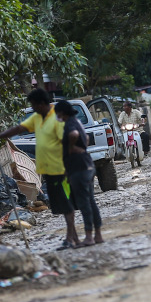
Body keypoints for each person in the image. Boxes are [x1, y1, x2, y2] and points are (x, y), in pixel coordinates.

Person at [0, 89, 78, 248]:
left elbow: (69, 140)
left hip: (61, 169)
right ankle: (72, 237)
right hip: (49, 170)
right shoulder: (38, 118)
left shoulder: (56, 118)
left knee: (67, 203)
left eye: (34, 105)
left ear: (42, 104)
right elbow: (19, 129)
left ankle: (71, 237)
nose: (33, 108)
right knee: (61, 205)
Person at [55, 100, 103, 246]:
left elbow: (74, 135)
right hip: (87, 164)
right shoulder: (78, 122)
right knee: (91, 201)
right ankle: (98, 235)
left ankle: (89, 237)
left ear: (62, 113)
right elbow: (86, 138)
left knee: (84, 203)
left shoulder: (70, 124)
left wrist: (69, 149)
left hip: (79, 168)